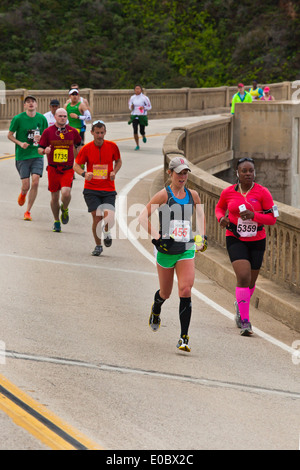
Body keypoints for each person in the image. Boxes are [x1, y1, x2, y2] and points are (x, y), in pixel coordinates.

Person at [138, 157, 207, 352]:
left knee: (185, 290)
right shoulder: (163, 195)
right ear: (170, 174)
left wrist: (202, 237)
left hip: (186, 248)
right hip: (166, 251)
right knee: (165, 293)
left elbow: (200, 215)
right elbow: (142, 216)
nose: (183, 177)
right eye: (179, 173)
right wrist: (157, 237)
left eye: (185, 173)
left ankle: (184, 337)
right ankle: (156, 306)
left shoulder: (193, 195)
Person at [215, 157, 277, 336]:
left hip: (257, 239)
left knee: (251, 282)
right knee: (243, 277)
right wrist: (221, 219)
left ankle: (240, 305)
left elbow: (272, 218)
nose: (248, 173)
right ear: (238, 173)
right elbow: (219, 208)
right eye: (244, 171)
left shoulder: (263, 192)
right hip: (235, 237)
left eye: (251, 170)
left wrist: (254, 215)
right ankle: (245, 321)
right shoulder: (228, 192)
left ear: (254, 173)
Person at [74, 120, 122, 255]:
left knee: (109, 217)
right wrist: (84, 173)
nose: (100, 136)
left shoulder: (112, 146)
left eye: (102, 133)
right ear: (92, 133)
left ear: (105, 132)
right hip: (91, 189)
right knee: (97, 217)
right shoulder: (86, 148)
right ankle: (98, 245)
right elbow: (76, 165)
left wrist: (114, 172)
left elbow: (118, 161)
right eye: (97, 133)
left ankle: (107, 231)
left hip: (108, 188)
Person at [38, 108, 82, 232]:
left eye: (64, 116)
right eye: (60, 116)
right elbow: (39, 149)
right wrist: (44, 151)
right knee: (54, 197)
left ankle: (65, 208)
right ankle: (56, 221)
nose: (63, 118)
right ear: (55, 117)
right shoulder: (48, 132)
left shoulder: (72, 131)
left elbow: (79, 145)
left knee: (66, 193)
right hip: (53, 169)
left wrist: (80, 159)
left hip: (67, 169)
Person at [7, 95, 48, 221]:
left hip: (37, 154)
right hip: (22, 155)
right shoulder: (18, 118)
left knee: (35, 181)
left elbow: (47, 135)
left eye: (33, 102)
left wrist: (42, 139)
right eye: (28, 102)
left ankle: (28, 211)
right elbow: (10, 135)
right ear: (24, 105)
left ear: (36, 105)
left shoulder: (41, 118)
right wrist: (20, 143)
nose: (30, 103)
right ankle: (23, 193)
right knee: (26, 185)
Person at [128, 85, 152, 150]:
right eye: (136, 89)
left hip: (142, 116)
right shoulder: (132, 98)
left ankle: (143, 135)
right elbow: (130, 106)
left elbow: (149, 107)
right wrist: (131, 107)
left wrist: (143, 107)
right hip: (134, 116)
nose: (137, 90)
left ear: (141, 90)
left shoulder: (145, 98)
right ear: (134, 90)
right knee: (135, 130)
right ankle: (137, 145)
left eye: (138, 89)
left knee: (141, 130)